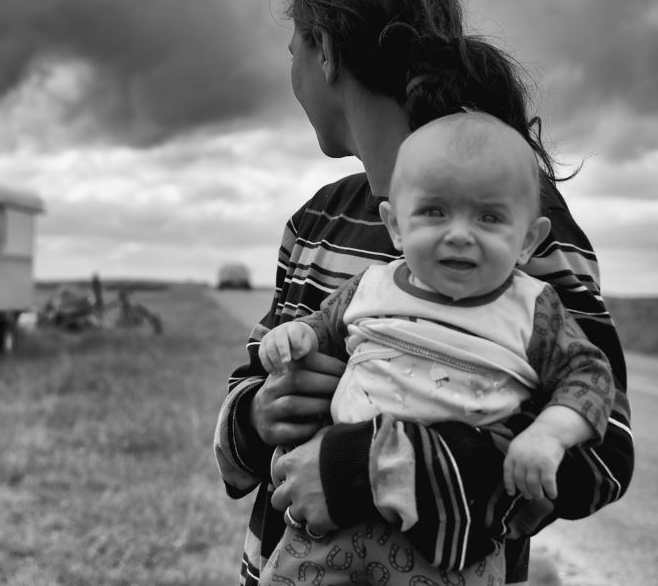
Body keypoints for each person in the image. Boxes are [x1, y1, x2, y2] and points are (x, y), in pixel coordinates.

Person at [214, 0, 634, 586]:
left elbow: (605, 449)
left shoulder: (522, 217)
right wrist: (262, 411)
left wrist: (360, 469)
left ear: (323, 55)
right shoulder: (317, 221)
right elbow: (245, 402)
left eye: (292, 48)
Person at [256, 111, 615, 584]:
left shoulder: (533, 309)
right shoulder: (369, 286)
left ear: (528, 240)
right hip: (327, 525)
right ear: (396, 225)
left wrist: (549, 433)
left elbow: (590, 376)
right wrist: (292, 337)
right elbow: (321, 327)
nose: (460, 233)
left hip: (451, 543)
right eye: (434, 212)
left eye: (489, 217)